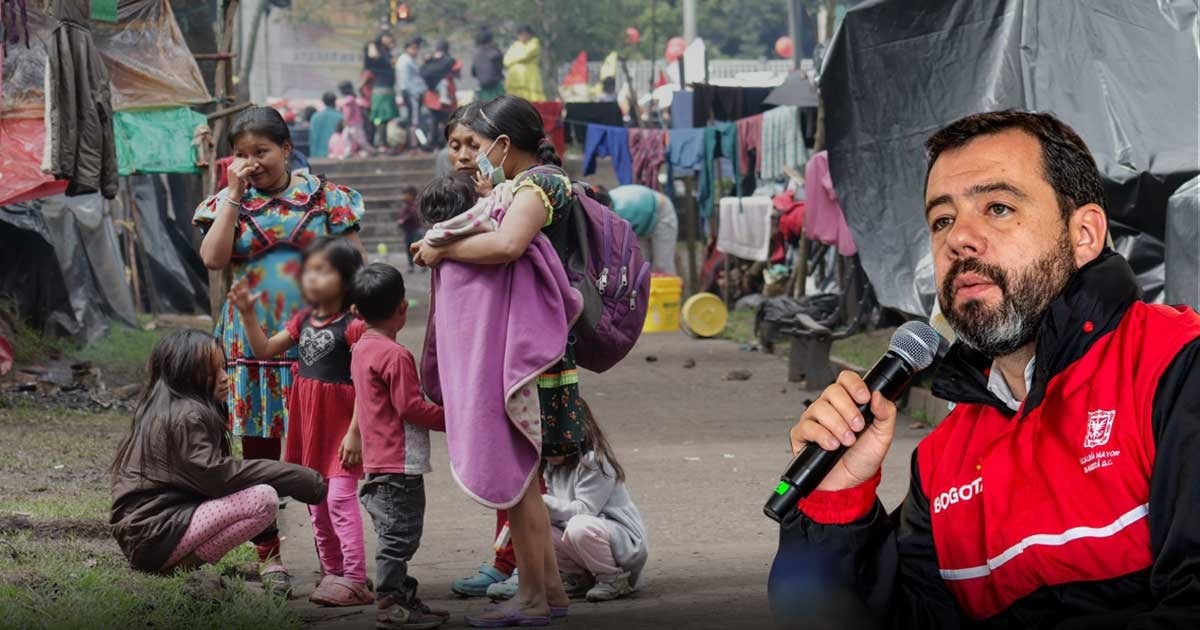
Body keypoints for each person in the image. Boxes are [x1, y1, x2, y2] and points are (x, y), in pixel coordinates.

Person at [771, 110, 1200, 627]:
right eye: (942, 220)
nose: (959, 240)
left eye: (997, 207)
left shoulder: (1176, 365)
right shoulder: (941, 461)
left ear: (1084, 234)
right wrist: (838, 507)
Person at [413, 95, 583, 627]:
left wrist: (441, 248)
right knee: (523, 483)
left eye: (477, 145)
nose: (467, 157)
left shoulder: (543, 183)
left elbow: (509, 245)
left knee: (520, 483)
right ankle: (549, 592)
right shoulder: (513, 187)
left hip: (530, 361)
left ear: (505, 145)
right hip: (520, 353)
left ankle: (533, 601)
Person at [194, 106, 366, 597]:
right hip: (249, 343)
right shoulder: (225, 202)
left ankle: (337, 562)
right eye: (242, 154)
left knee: (322, 454)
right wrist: (232, 193)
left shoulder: (327, 199)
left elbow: (355, 262)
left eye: (262, 152)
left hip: (321, 340)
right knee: (258, 452)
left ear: (287, 150)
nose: (252, 162)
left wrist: (364, 327)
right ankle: (270, 559)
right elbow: (213, 259)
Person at [110, 330, 328, 578]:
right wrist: (296, 477)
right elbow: (218, 476)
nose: (225, 378)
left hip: (150, 533)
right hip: (154, 534)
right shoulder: (187, 415)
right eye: (213, 371)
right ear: (185, 374)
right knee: (261, 498)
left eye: (224, 367)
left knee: (253, 484)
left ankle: (182, 564)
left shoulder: (173, 408)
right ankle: (178, 567)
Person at [229, 236, 371, 607]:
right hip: (310, 430)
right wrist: (247, 313)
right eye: (307, 272)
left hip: (343, 430)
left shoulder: (355, 327)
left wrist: (356, 433)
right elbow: (263, 350)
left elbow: (366, 383)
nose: (310, 279)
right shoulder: (302, 319)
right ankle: (333, 573)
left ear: (346, 278)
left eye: (321, 272)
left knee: (340, 500)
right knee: (317, 506)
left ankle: (355, 579)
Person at [350, 263, 450, 629]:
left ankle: (404, 595)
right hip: (399, 462)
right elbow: (411, 407)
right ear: (403, 308)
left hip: (380, 459)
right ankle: (390, 602)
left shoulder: (361, 347)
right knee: (399, 535)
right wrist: (453, 419)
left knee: (399, 531)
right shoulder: (395, 355)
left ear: (355, 312)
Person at [486, 400, 648, 604]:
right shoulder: (553, 467)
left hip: (621, 545)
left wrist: (542, 502)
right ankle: (576, 577)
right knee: (542, 528)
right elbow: (558, 516)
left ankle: (613, 579)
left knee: (579, 526)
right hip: (584, 541)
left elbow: (585, 510)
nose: (550, 451)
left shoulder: (593, 462)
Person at [595, 184, 678, 275]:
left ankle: (670, 288)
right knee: (641, 268)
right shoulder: (610, 204)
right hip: (642, 221)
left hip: (661, 213)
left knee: (662, 266)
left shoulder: (621, 211)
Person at [364, 32, 399, 150]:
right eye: (388, 37)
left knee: (386, 118)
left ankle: (382, 142)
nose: (390, 40)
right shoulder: (373, 48)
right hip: (380, 89)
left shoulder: (388, 52)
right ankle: (381, 143)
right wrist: (373, 44)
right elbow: (372, 56)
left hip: (387, 88)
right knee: (380, 118)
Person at [397, 37, 428, 150]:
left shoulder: (410, 60)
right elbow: (405, 81)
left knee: (414, 119)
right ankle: (414, 145)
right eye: (413, 48)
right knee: (413, 120)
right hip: (411, 94)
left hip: (415, 93)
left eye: (417, 48)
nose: (416, 51)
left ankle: (415, 144)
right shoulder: (405, 61)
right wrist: (413, 93)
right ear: (407, 49)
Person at [503, 26, 545, 102]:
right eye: (520, 34)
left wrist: (513, 59)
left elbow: (525, 55)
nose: (522, 36)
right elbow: (506, 60)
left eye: (525, 34)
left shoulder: (534, 43)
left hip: (529, 77)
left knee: (531, 99)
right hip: (515, 78)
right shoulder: (515, 45)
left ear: (530, 34)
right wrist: (516, 60)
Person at [337, 80, 371, 155]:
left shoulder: (349, 99)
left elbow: (348, 112)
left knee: (360, 139)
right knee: (346, 137)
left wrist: (345, 121)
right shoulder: (351, 98)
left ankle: (370, 151)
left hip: (354, 123)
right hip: (352, 123)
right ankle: (348, 152)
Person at [395, 185, 423, 272]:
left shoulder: (415, 205)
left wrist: (403, 220)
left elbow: (414, 215)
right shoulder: (406, 205)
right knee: (409, 248)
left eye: (405, 194)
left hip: (415, 230)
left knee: (417, 248)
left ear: (411, 195)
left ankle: (422, 264)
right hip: (408, 230)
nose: (403, 197)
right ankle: (411, 265)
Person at [472, 29, 504, 103]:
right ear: (491, 40)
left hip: (482, 89)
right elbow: (500, 69)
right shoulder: (496, 53)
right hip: (496, 88)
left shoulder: (476, 55)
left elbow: (474, 73)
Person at [309, 91, 343, 159]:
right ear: (335, 101)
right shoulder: (340, 116)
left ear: (323, 102)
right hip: (337, 155)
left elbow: (313, 138)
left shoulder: (315, 117)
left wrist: (313, 155)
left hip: (318, 155)